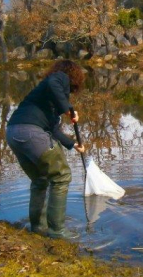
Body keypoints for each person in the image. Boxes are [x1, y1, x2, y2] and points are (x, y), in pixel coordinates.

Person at [6, 60, 86, 239]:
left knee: (40, 180)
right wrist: (69, 110)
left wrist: (73, 144)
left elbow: (53, 128)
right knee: (61, 176)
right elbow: (53, 83)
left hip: (13, 133)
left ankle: (38, 228)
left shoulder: (46, 99)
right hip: (31, 132)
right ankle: (57, 231)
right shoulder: (59, 77)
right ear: (73, 76)